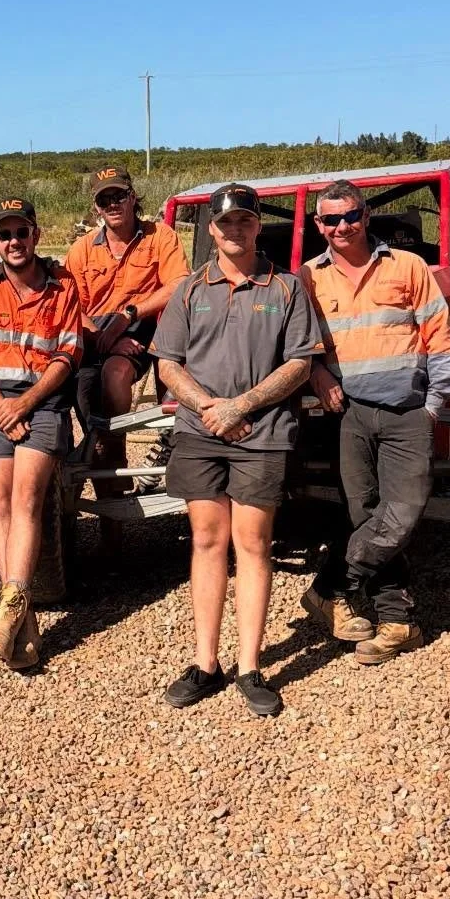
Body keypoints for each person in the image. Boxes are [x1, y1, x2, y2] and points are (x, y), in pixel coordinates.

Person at [153, 184, 322, 715]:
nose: (235, 230)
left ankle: (250, 665)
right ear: (212, 229)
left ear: (256, 227)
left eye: (244, 222)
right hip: (201, 433)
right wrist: (210, 409)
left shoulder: (286, 288)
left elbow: (300, 364)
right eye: (225, 223)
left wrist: (240, 407)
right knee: (206, 539)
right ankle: (206, 662)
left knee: (253, 543)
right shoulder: (188, 290)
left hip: (261, 433)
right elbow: (168, 363)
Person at [300, 180, 450, 662]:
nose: (342, 226)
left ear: (366, 216)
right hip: (350, 414)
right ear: (318, 225)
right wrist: (318, 374)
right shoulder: (309, 277)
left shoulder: (407, 266)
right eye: (331, 220)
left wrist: (433, 406)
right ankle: (398, 621)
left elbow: (441, 336)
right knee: (365, 514)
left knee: (405, 510)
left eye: (350, 216)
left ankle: (331, 584)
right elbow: (301, 348)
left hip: (408, 410)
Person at [0, 197, 83, 668]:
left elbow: (67, 356)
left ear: (35, 234)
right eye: (5, 234)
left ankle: (11, 606)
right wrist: (1, 406)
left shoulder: (62, 285)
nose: (14, 242)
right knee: (0, 495)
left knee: (29, 495)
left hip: (43, 399)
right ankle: (22, 617)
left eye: (22, 232)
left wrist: (25, 404)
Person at [64, 165, 188, 482]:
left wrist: (130, 315)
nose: (113, 205)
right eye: (105, 200)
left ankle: (121, 442)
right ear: (96, 208)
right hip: (93, 335)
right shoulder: (81, 250)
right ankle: (103, 480)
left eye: (119, 195)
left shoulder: (160, 236)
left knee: (115, 373)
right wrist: (103, 336)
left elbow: (179, 284)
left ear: (132, 197)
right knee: (84, 395)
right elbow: (68, 304)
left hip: (142, 329)